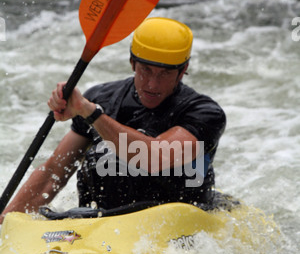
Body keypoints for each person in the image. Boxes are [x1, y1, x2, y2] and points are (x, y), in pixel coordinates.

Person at [0, 17, 226, 223]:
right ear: (132, 63)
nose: (152, 84)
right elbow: (54, 172)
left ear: (183, 70)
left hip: (175, 224)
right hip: (103, 223)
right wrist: (7, 222)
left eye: (165, 73)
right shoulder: (103, 98)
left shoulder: (203, 113)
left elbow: (155, 157)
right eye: (145, 70)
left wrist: (91, 113)